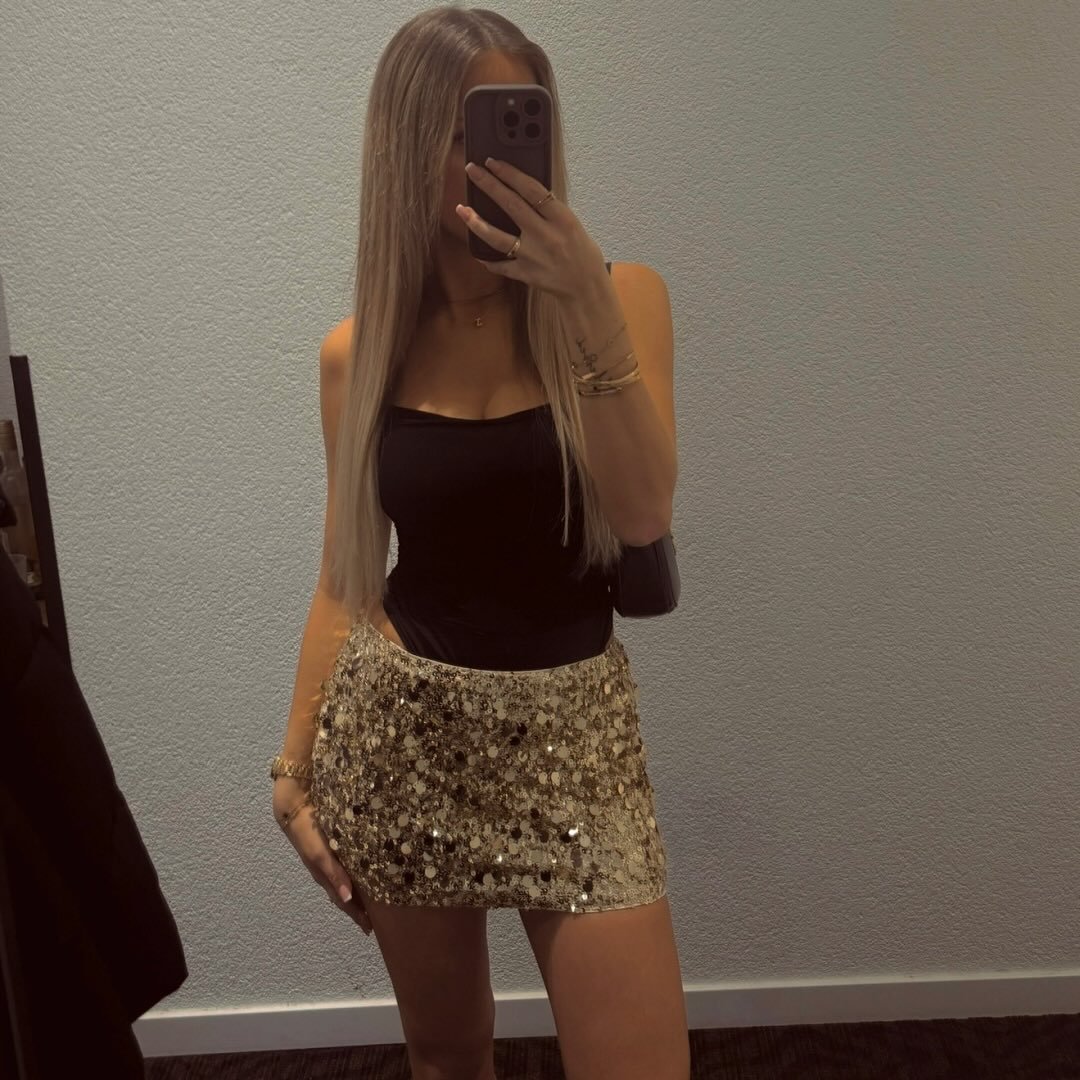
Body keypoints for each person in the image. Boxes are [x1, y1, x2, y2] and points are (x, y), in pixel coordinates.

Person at [270, 8, 687, 1080]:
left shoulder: (622, 299)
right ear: (409, 148)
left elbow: (644, 512)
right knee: (449, 1055)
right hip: (407, 736)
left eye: (516, 122)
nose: (493, 157)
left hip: (576, 743)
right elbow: (346, 578)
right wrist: (294, 768)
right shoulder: (359, 355)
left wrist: (582, 300)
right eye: (464, 132)